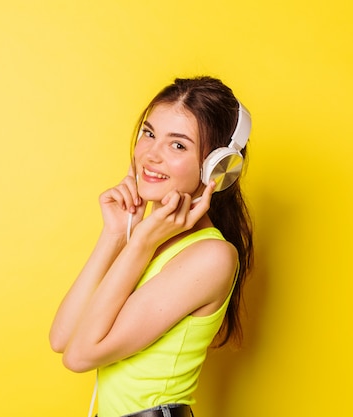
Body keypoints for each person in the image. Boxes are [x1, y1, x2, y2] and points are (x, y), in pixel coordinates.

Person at [49, 76, 254, 417]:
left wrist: (140, 241)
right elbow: (62, 338)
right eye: (149, 133)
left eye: (178, 145)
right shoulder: (145, 241)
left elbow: (79, 356)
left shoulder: (211, 256)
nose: (151, 155)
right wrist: (116, 234)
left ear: (216, 167)